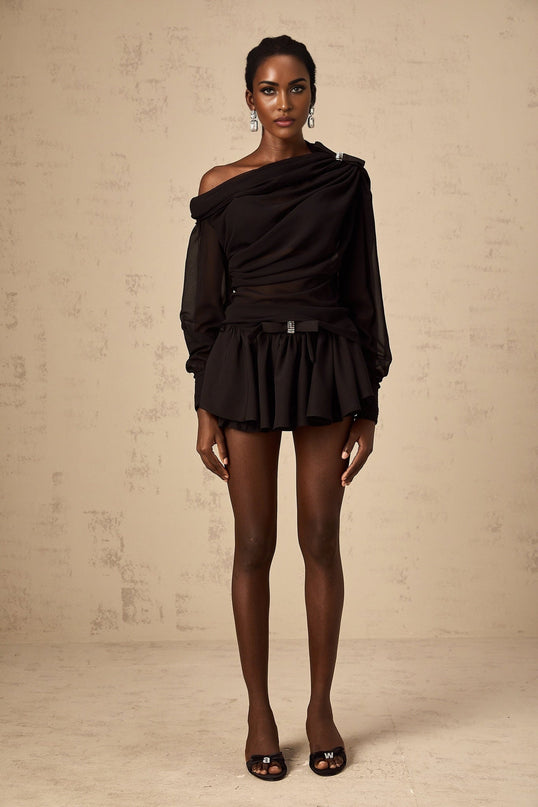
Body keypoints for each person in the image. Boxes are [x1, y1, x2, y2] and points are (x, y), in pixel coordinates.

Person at [180, 34, 391, 781]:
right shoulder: (222, 183)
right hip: (243, 367)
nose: (283, 103)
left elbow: (363, 289)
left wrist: (368, 400)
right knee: (252, 543)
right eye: (269, 90)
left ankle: (321, 706)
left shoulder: (342, 182)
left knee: (320, 538)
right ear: (249, 100)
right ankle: (259, 712)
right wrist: (206, 402)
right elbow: (204, 301)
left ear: (312, 94)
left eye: (296, 88)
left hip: (327, 362)